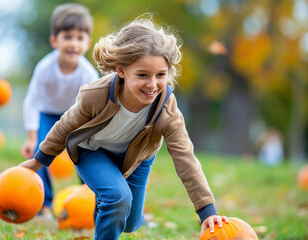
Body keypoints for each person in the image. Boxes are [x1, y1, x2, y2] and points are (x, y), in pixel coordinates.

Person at [19, 16, 229, 239]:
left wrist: (206, 210)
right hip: (93, 151)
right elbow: (65, 126)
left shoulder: (166, 108)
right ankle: (108, 206)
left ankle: (106, 207)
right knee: (118, 197)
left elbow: (185, 157)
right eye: (142, 75)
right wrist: (39, 160)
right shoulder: (95, 95)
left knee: (129, 223)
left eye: (161, 75)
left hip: (138, 159)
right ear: (121, 70)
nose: (152, 84)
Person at [21, 3, 98, 217]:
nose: (74, 43)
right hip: (48, 113)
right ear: (55, 40)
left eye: (79, 38)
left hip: (76, 117)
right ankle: (44, 203)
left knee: (87, 152)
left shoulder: (88, 73)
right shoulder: (45, 68)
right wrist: (30, 136)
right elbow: (32, 102)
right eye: (68, 37)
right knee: (40, 149)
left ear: (87, 43)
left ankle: (90, 198)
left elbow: (96, 107)